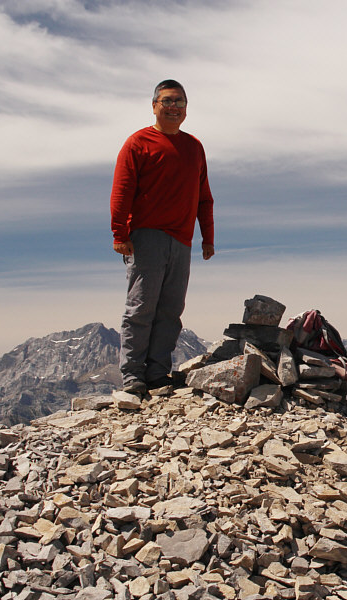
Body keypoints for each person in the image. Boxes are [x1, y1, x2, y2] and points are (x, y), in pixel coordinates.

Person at [110, 79, 215, 394]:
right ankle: (132, 377)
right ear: (154, 105)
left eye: (179, 102)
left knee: (170, 309)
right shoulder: (138, 143)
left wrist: (207, 237)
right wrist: (120, 233)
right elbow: (122, 191)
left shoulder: (193, 147)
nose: (174, 107)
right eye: (167, 101)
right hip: (146, 237)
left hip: (181, 241)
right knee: (141, 307)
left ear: (186, 109)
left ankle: (157, 374)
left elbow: (203, 197)